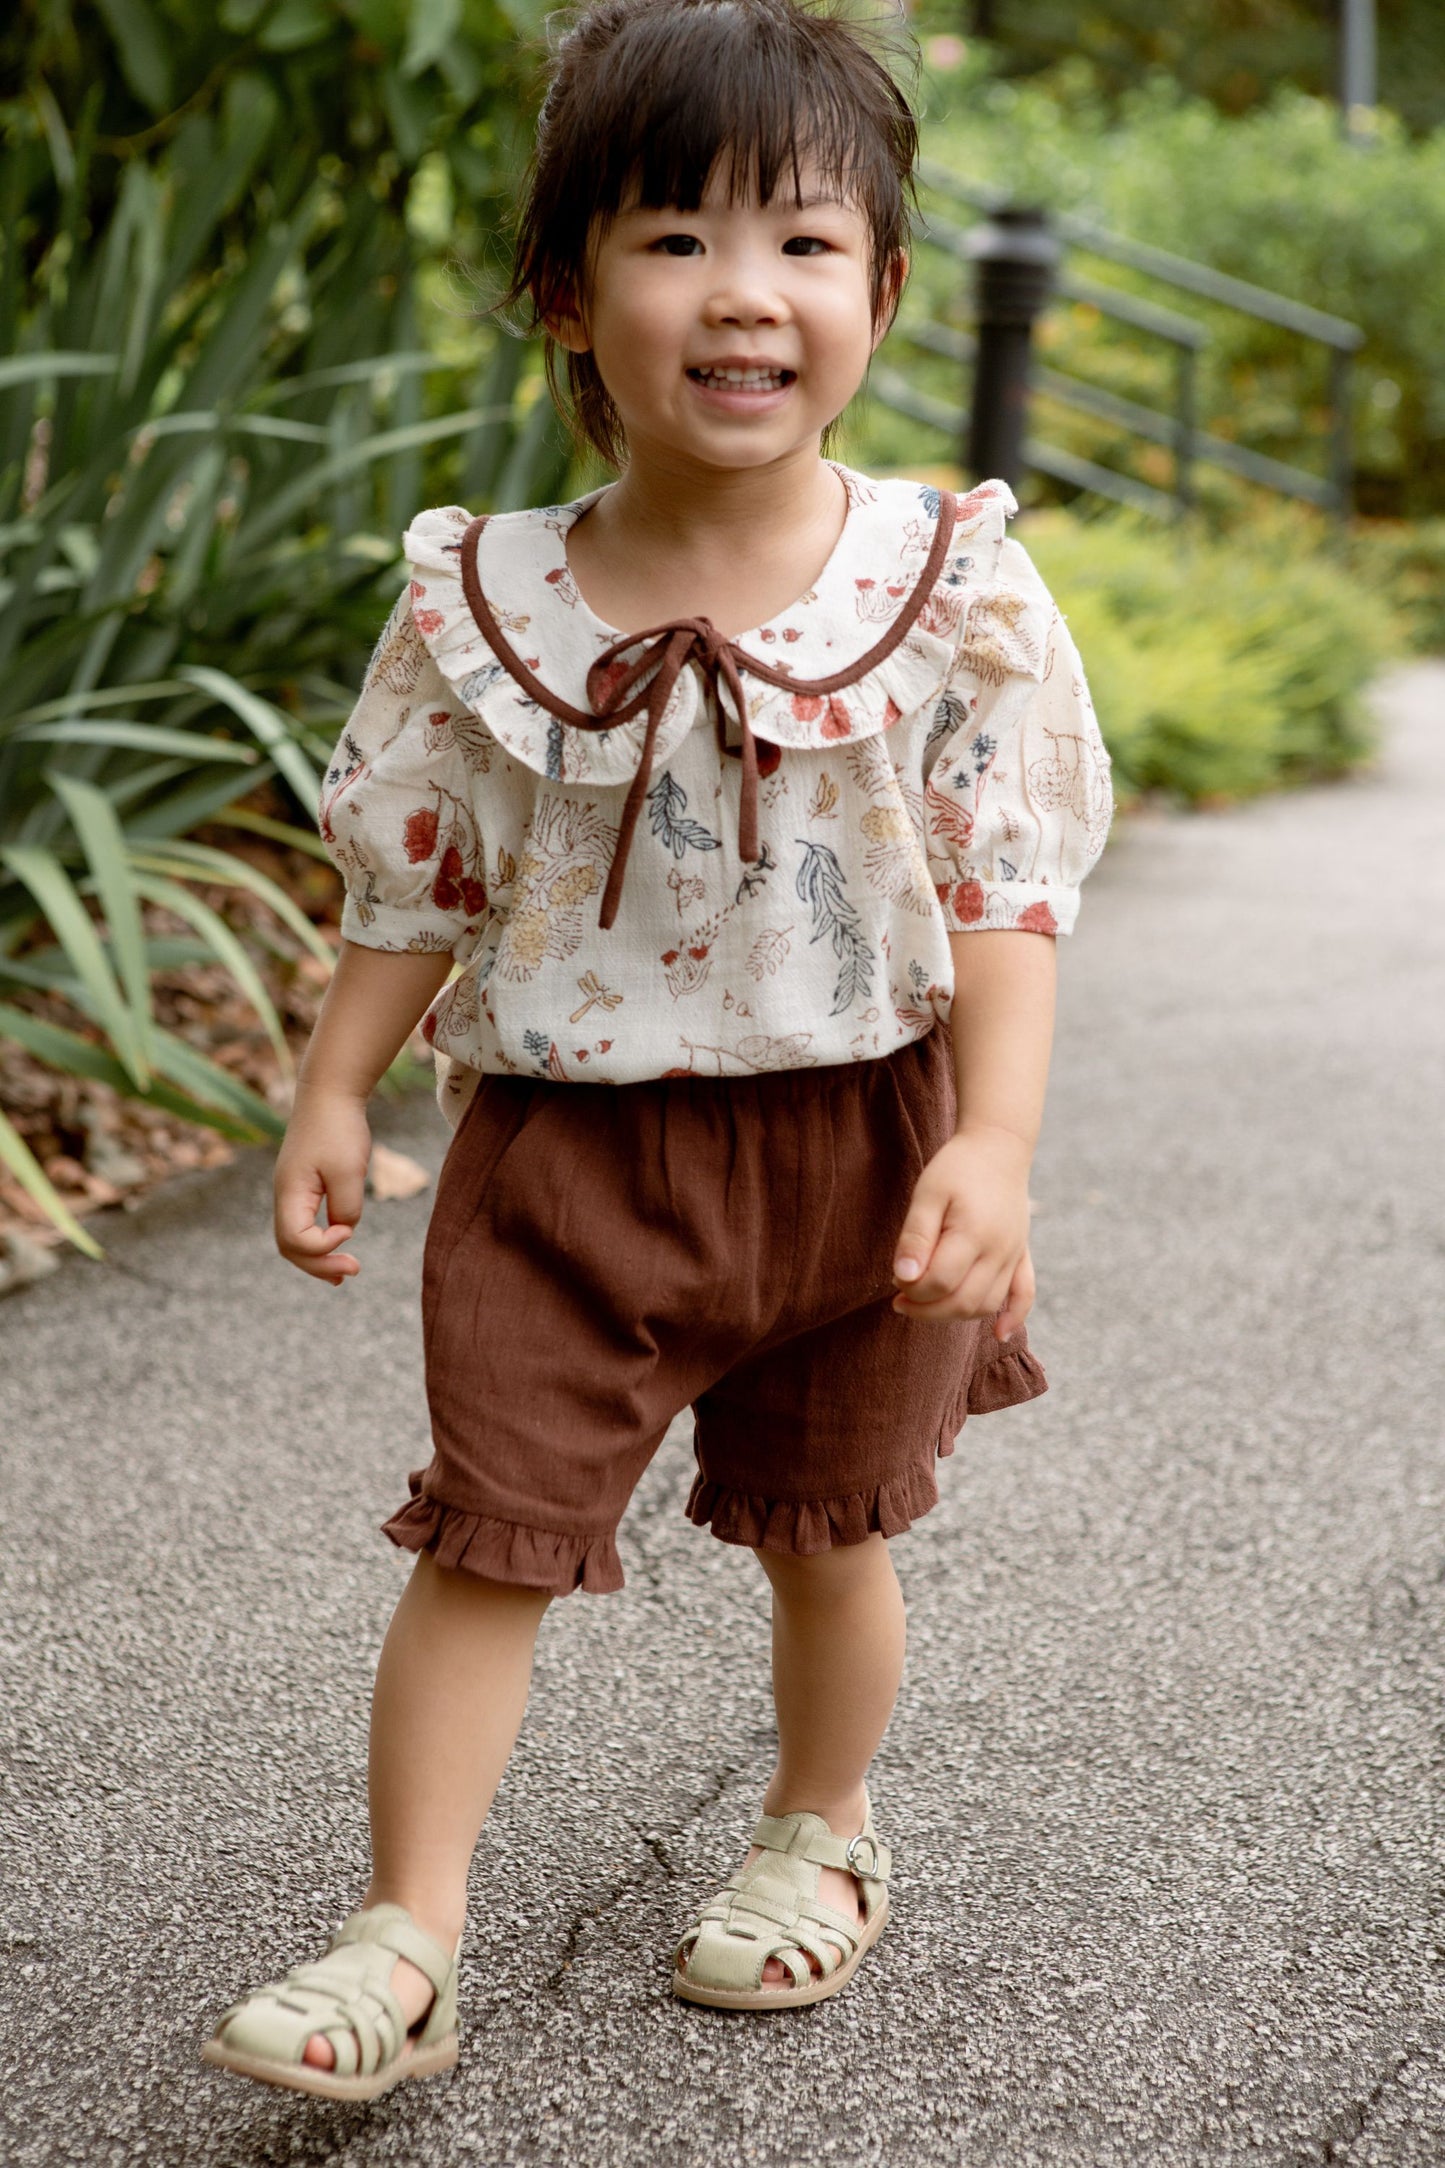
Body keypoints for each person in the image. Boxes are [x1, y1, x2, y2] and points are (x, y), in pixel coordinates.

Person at [202, 0, 1112, 2102]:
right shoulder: (485, 599)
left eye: (805, 242)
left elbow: (1007, 881)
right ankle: (404, 1939)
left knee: (829, 1523)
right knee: (483, 1532)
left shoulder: (942, 585)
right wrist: (338, 1080)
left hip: (859, 1153)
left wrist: (1001, 1146)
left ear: (883, 289)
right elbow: (418, 864)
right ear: (565, 291)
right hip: (562, 1170)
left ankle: (823, 1830)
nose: (744, 293)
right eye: (674, 235)